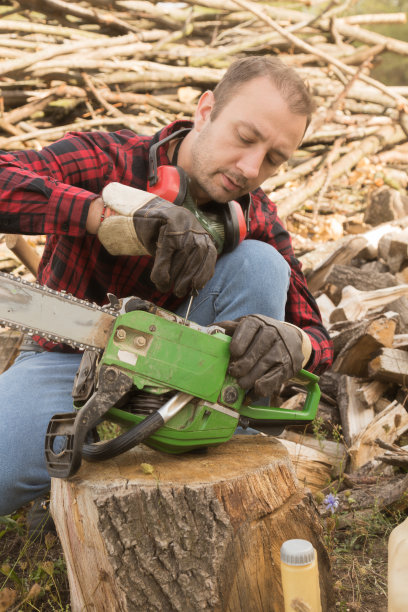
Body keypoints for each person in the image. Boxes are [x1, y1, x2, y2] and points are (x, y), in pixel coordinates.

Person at [0, 56, 333, 518]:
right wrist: (104, 216)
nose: (252, 167)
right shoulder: (109, 157)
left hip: (183, 375)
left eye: (274, 158)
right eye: (245, 137)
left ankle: (217, 444)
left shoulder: (254, 215)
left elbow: (316, 334)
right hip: (72, 362)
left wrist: (294, 343)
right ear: (205, 109)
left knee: (263, 264)